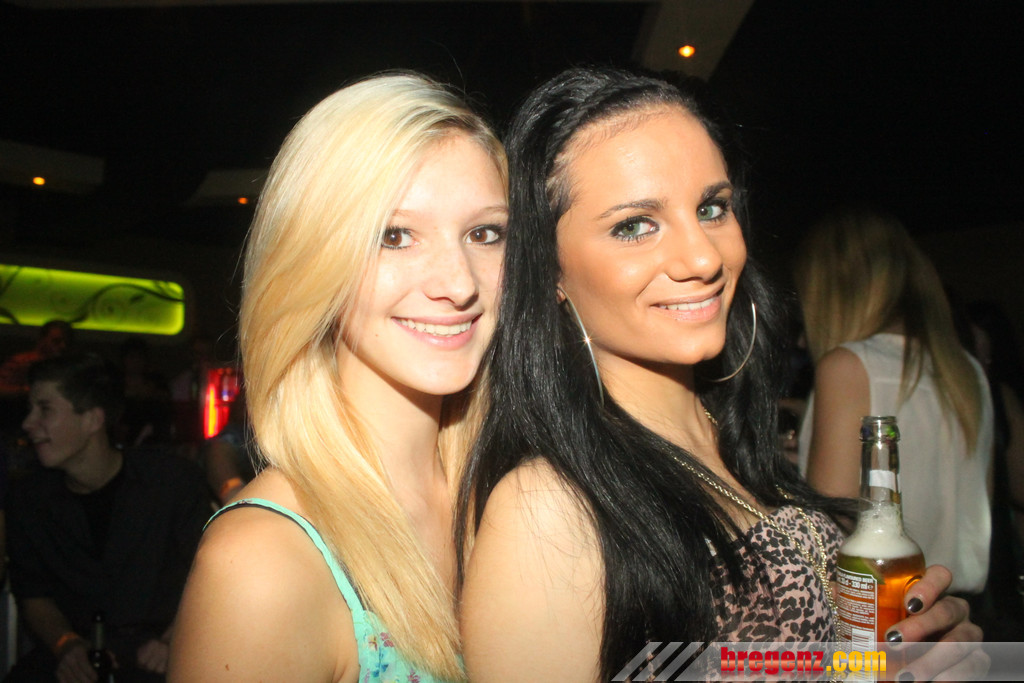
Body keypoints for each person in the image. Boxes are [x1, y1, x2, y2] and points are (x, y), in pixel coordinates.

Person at [457, 66, 982, 683]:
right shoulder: (547, 511)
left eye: (711, 208)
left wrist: (905, 658)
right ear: (549, 271)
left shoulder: (730, 438)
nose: (705, 257)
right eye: (635, 226)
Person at [168, 73, 506, 683]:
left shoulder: (514, 499)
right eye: (394, 236)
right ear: (311, 260)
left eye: (484, 234)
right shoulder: (260, 563)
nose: (459, 282)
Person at [793, 206, 994, 596]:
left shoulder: (849, 366)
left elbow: (828, 534)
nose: (802, 337)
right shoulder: (966, 370)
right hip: (958, 612)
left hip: (879, 611)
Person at [5, 353, 210, 683]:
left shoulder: (171, 483)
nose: (29, 423)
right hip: (71, 661)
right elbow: (33, 595)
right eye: (31, 410)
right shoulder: (29, 498)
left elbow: (212, 574)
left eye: (45, 409)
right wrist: (66, 645)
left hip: (159, 657)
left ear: (92, 420)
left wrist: (174, 639)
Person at [0, 320, 73, 396]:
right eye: (56, 341)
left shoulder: (66, 367)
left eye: (67, 343)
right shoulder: (21, 362)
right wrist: (25, 390)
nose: (63, 346)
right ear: (42, 340)